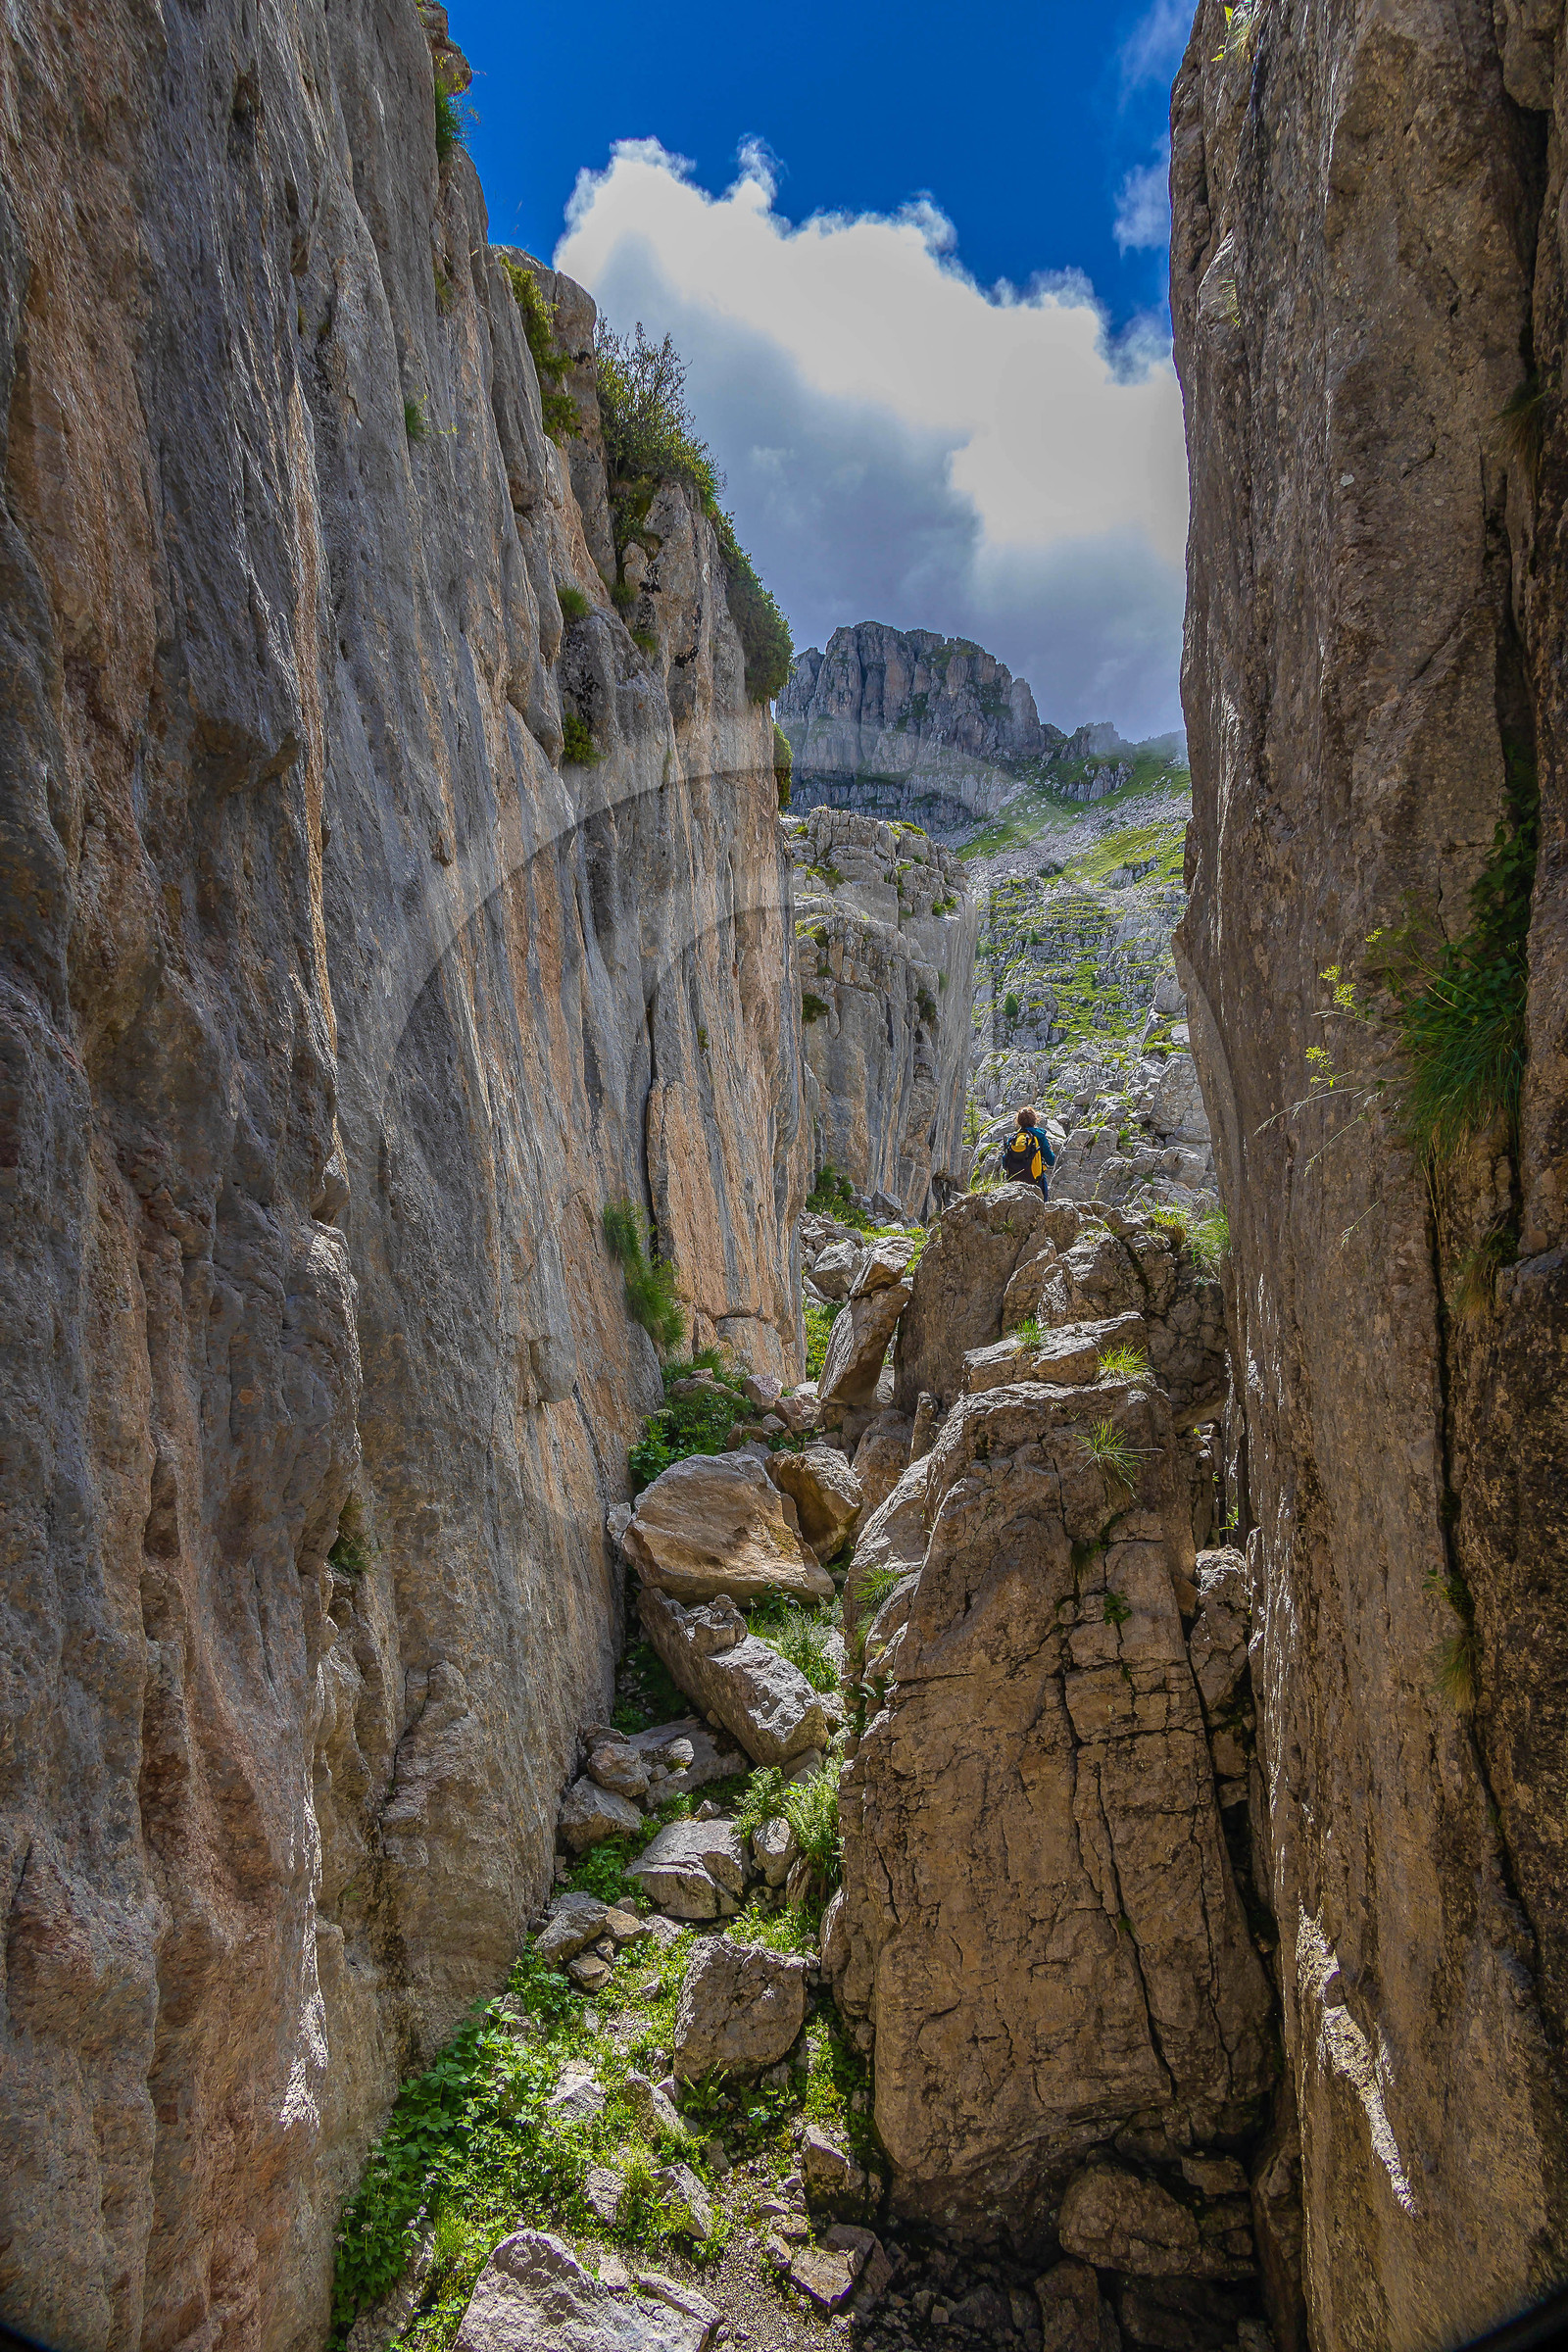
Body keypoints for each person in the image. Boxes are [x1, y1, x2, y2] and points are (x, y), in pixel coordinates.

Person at [1004, 1103, 1055, 1201]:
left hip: (1013, 1183)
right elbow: (1051, 1161)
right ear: (1035, 1120)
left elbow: (1004, 1162)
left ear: (1019, 1122)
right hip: (1035, 1182)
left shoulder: (1013, 1138)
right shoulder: (1039, 1136)